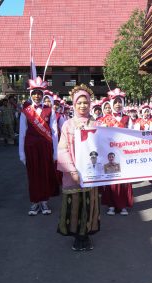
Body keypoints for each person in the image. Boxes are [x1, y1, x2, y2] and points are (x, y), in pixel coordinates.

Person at [57, 84, 100, 251]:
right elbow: (62, 149)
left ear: (90, 104)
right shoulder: (68, 125)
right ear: (74, 105)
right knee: (75, 205)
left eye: (86, 103)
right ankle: (77, 237)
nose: (83, 106)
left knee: (89, 205)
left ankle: (86, 236)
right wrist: (72, 171)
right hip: (72, 173)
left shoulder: (96, 123)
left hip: (91, 173)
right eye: (79, 103)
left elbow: (102, 146)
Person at [19, 76, 59, 216]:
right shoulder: (26, 111)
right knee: (33, 174)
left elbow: (54, 132)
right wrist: (21, 153)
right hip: (30, 147)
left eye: (39, 93)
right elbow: (22, 133)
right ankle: (35, 202)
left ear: (43, 95)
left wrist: (55, 152)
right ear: (31, 95)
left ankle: (44, 201)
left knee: (45, 173)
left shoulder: (50, 110)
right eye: (34, 93)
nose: (37, 95)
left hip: (45, 147)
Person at [96, 88, 134, 216]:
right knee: (111, 179)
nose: (118, 104)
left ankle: (123, 205)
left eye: (120, 101)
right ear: (111, 104)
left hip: (123, 153)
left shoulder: (128, 119)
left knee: (123, 179)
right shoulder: (103, 119)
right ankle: (111, 205)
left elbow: (132, 135)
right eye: (115, 102)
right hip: (109, 153)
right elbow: (98, 136)